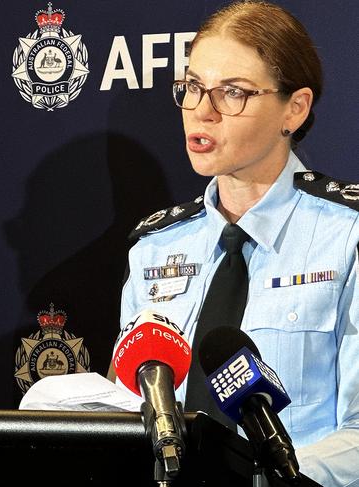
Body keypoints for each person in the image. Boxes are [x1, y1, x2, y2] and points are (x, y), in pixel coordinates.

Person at [118, 1, 358, 485]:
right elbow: (130, 410)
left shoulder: (347, 236)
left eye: (233, 93)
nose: (202, 112)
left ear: (295, 108)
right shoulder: (154, 247)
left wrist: (259, 478)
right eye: (192, 88)